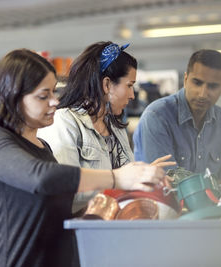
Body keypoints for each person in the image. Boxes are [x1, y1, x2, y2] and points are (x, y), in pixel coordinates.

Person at [0, 49, 166, 267]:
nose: (55, 101)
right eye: (44, 96)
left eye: (54, 92)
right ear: (13, 96)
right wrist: (116, 178)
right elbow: (43, 179)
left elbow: (63, 208)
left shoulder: (42, 147)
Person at [38, 41, 175, 213]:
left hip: (114, 227)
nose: (133, 95)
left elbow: (127, 185)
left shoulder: (115, 128)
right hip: (81, 232)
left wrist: (145, 177)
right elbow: (66, 193)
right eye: (129, 85)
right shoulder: (65, 122)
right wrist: (118, 181)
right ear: (107, 84)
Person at [133, 49, 221, 194]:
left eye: (212, 86)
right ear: (186, 79)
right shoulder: (157, 117)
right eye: (197, 83)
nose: (203, 94)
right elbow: (169, 186)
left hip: (213, 212)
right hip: (164, 213)